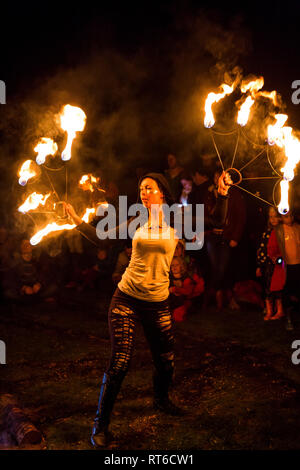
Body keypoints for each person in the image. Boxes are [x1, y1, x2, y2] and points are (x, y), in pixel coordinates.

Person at [63, 171, 231, 448]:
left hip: (157, 302)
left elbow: (215, 221)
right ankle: (100, 425)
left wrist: (222, 195)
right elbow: (102, 238)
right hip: (126, 298)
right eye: (141, 188)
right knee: (120, 363)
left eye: (149, 188)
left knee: (165, 361)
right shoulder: (136, 221)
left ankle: (161, 400)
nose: (143, 192)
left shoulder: (177, 219)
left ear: (162, 192)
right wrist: (76, 221)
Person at [268, 210, 300, 325]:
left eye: (291, 215)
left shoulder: (298, 228)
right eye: (286, 216)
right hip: (287, 267)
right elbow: (272, 248)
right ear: (282, 217)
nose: (290, 218)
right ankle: (288, 315)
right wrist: (275, 257)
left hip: (298, 264)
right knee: (287, 290)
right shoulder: (278, 231)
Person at [256, 206, 285, 320]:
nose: (272, 219)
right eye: (270, 217)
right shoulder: (267, 232)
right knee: (267, 287)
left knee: (278, 288)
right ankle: (269, 311)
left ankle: (280, 310)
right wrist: (259, 266)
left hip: (278, 265)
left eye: (275, 217)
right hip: (267, 265)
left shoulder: (282, 231)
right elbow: (261, 249)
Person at [169, 256, 204, 322]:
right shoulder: (168, 277)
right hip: (169, 303)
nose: (174, 267)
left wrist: (176, 289)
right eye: (172, 265)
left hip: (181, 303)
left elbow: (188, 291)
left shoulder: (186, 278)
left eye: (177, 265)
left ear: (181, 266)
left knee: (178, 318)